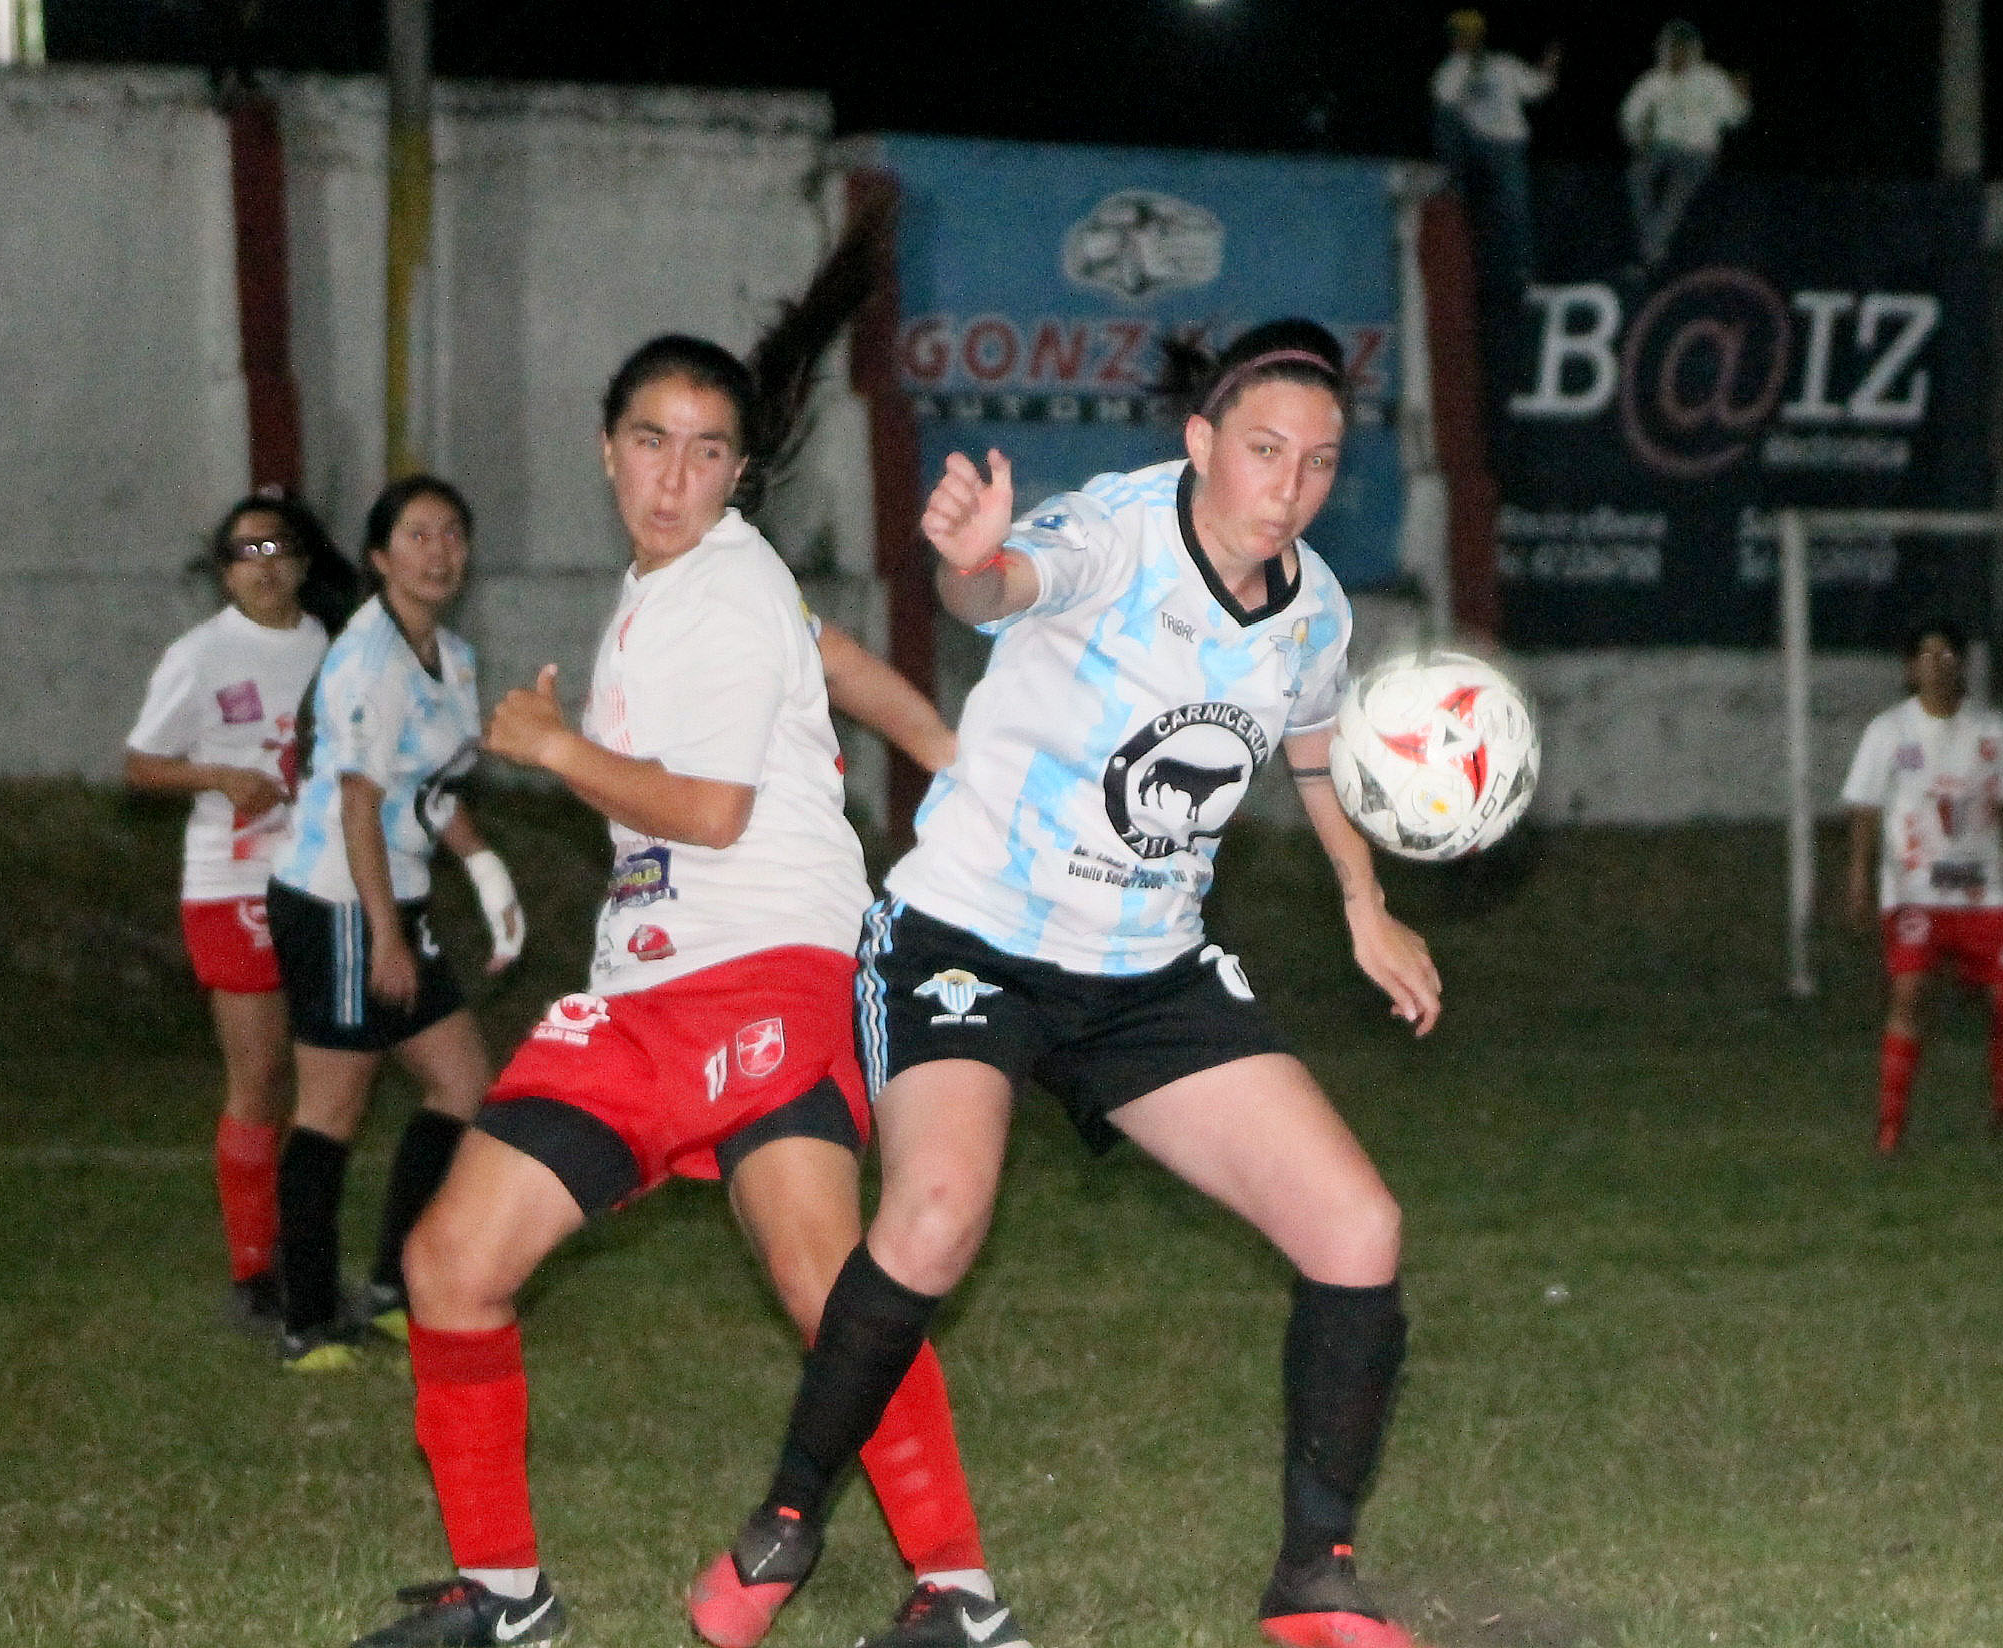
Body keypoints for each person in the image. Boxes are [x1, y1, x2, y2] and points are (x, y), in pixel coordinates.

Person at [695, 319, 1444, 1648]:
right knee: (931, 1216)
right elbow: (1005, 588)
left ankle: (1310, 1578)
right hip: (966, 940)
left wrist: (1362, 900)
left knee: (1357, 1230)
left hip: (1142, 972)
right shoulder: (1114, 530)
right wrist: (973, 559)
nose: (1289, 486)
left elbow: (1315, 741)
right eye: (1264, 451)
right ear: (1200, 443)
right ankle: (788, 1520)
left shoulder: (1313, 603)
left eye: (1319, 463)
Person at [345, 326, 1010, 1648]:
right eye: (650, 441)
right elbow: (823, 648)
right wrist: (940, 741)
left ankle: (512, 1595)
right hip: (701, 973)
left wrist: (550, 746)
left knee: (458, 1258)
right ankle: (954, 1597)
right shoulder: (704, 576)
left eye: (707, 452)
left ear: (737, 473)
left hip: (744, 963)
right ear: (608, 450)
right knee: (820, 1290)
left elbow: (708, 811)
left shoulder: (709, 588)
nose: (672, 474)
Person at [267, 475, 524, 1372]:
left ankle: (391, 1284)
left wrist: (484, 867)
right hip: (336, 897)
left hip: (392, 893)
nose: (439, 550)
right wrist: (382, 933)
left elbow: (433, 792)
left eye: (453, 533)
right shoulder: (367, 657)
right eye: (417, 534)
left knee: (461, 1081)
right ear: (380, 558)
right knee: (332, 1105)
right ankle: (303, 1318)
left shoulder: (451, 655)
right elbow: (359, 804)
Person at [124, 491, 357, 1328]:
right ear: (223, 571)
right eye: (247, 553)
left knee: (325, 1078)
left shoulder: (330, 646)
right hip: (232, 884)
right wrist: (218, 776)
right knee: (258, 1074)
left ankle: (302, 1257)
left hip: (316, 879)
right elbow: (142, 763)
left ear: (303, 560)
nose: (267, 566)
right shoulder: (200, 654)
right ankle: (253, 1270)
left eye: (280, 549)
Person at [1842, 621, 2003, 1155]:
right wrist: (1859, 875)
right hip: (1915, 893)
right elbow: (1864, 807)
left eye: (1948, 652)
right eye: (1927, 654)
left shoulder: (1990, 729)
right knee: (1909, 995)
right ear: (1911, 669)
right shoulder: (1890, 732)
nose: (1939, 662)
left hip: (1982, 893)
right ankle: (1889, 1128)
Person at [1430, 8, 1559, 289]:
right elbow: (1444, 108)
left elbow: (1537, 90)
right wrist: (1468, 76)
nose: (1464, 41)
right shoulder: (1450, 70)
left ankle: (1526, 273)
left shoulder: (1503, 64)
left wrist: (1549, 67)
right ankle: (1451, 181)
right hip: (1476, 147)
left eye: (1470, 35)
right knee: (1446, 118)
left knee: (1515, 206)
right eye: (1459, 36)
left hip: (1509, 145)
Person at [1618, 19, 1748, 269]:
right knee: (1637, 174)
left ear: (1693, 50)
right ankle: (1652, 245)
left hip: (1698, 150)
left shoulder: (1711, 78)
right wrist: (1637, 136)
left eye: (1683, 47)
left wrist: (1742, 97)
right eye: (1672, 47)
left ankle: (1652, 250)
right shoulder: (1652, 81)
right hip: (1662, 147)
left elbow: (1734, 117)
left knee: (1676, 194)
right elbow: (1629, 116)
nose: (1677, 53)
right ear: (1664, 49)